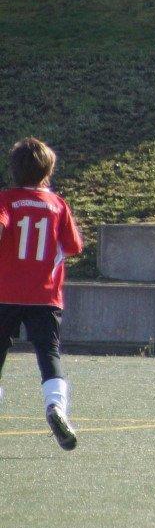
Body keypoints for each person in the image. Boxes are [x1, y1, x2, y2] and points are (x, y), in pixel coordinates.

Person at [0, 138, 84, 450]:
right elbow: (74, 247)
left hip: (4, 293)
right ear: (48, 170)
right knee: (49, 354)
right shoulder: (58, 205)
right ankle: (56, 407)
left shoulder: (6, 200)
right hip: (44, 295)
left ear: (13, 169)